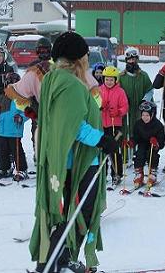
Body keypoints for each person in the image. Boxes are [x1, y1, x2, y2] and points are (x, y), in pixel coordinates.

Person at [29, 31, 117, 273]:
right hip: (79, 161)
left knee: (66, 211)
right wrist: (102, 140)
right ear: (79, 59)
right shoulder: (70, 85)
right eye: (86, 56)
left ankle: (56, 260)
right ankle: (54, 263)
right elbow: (74, 126)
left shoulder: (52, 79)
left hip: (61, 160)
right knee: (81, 212)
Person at [5, 37, 52, 163]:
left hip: (53, 105)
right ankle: (38, 154)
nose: (43, 53)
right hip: (36, 105)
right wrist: (27, 106)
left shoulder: (55, 66)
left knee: (53, 133)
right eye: (41, 51)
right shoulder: (33, 66)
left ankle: (52, 156)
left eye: (46, 50)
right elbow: (25, 87)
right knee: (36, 131)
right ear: (37, 51)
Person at [0, 72, 30, 182]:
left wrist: (21, 117)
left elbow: (27, 112)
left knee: (16, 150)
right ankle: (4, 169)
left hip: (14, 129)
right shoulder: (1, 97)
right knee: (2, 151)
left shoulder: (22, 98)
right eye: (9, 84)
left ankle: (22, 169)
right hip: (1, 129)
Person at [118, 47, 153, 159]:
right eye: (129, 59)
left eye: (134, 59)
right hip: (126, 111)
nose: (131, 62)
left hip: (139, 110)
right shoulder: (121, 77)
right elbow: (116, 91)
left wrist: (145, 100)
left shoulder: (143, 76)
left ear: (137, 60)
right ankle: (125, 155)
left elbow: (150, 90)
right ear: (126, 60)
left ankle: (140, 154)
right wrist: (122, 100)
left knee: (139, 130)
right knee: (126, 130)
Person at [99, 66, 129, 185]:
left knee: (114, 150)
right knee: (102, 149)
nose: (109, 82)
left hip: (115, 126)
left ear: (116, 80)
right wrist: (101, 106)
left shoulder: (120, 92)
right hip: (102, 125)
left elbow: (125, 107)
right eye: (107, 79)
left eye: (111, 80)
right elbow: (95, 103)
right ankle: (102, 173)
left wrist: (118, 112)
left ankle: (117, 174)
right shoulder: (100, 90)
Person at [132, 101, 165, 187]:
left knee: (152, 155)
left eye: (147, 115)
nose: (145, 118)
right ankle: (139, 174)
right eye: (143, 115)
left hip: (153, 146)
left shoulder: (158, 125)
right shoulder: (138, 124)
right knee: (139, 154)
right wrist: (131, 142)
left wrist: (156, 143)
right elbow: (136, 137)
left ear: (152, 115)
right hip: (142, 143)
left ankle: (152, 173)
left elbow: (161, 142)